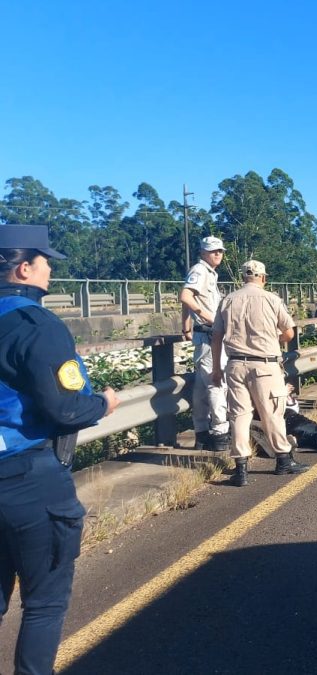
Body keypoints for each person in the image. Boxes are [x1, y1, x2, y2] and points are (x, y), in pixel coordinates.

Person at [0, 225, 120, 675]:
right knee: (44, 602)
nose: (50, 269)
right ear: (24, 268)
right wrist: (103, 404)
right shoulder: (37, 325)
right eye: (46, 261)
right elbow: (66, 408)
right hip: (27, 475)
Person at [211, 260, 308, 487]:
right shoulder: (272, 299)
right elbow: (289, 333)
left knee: (239, 415)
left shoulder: (227, 300)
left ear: (242, 277)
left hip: (235, 364)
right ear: (263, 277)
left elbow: (216, 337)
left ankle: (241, 469)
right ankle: (283, 459)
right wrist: (273, 339)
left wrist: (216, 368)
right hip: (265, 365)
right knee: (272, 413)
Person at [179, 236, 229, 452]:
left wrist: (186, 326)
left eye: (220, 251)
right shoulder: (200, 270)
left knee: (201, 387)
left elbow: (188, 299)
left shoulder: (208, 272)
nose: (217, 254)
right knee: (217, 383)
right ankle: (220, 434)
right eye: (212, 251)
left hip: (204, 336)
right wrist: (211, 318)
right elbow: (185, 296)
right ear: (202, 252)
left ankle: (201, 433)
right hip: (209, 336)